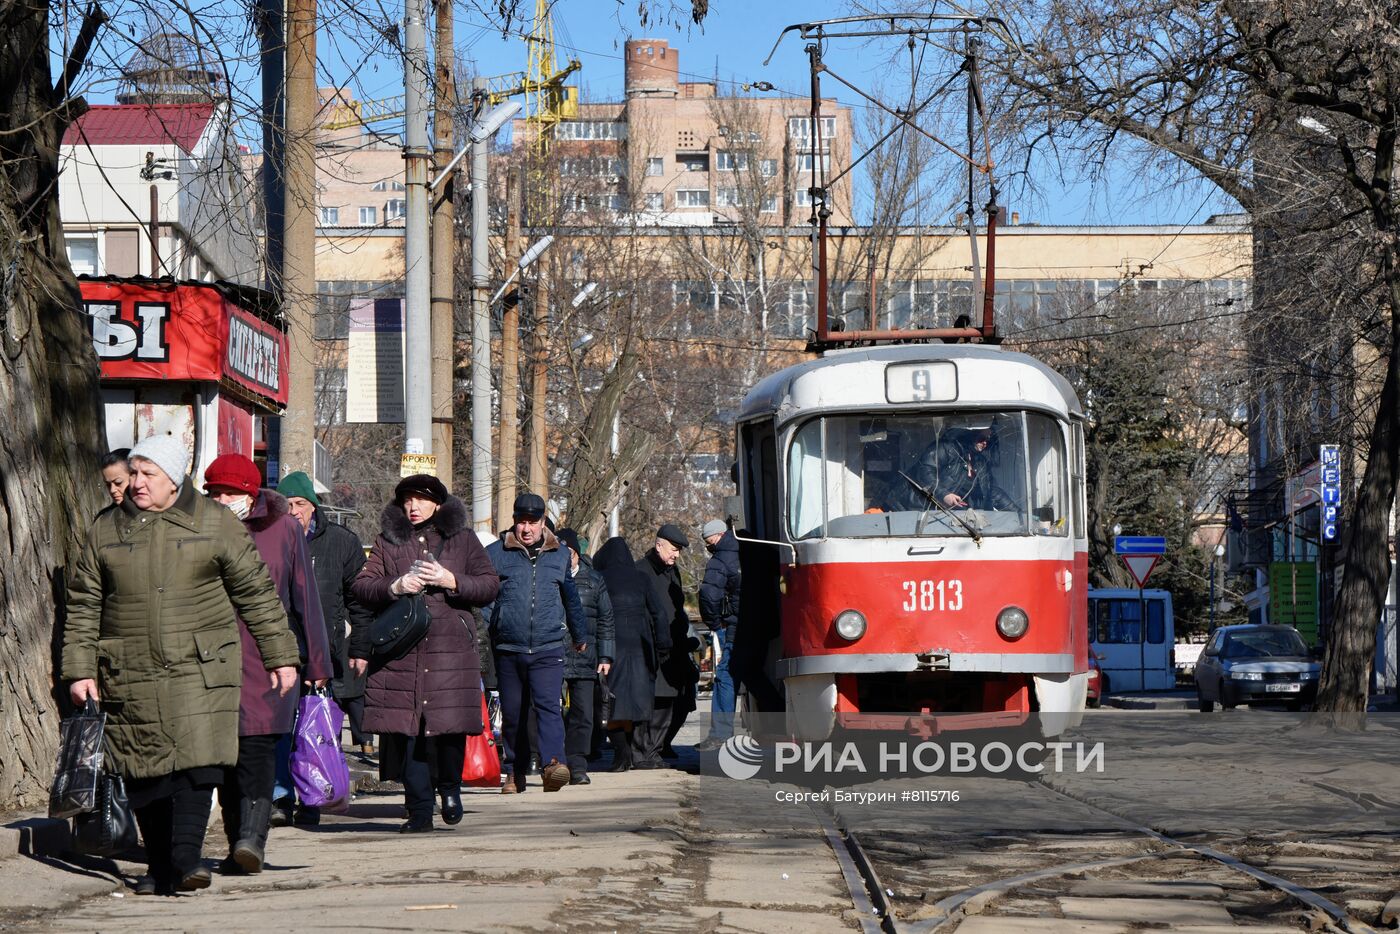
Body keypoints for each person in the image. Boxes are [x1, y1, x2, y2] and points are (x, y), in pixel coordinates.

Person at [63, 434, 301, 896]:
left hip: (200, 665)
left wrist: (281, 656)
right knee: (144, 769)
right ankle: (159, 864)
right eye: (133, 473)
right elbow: (84, 601)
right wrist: (80, 668)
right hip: (129, 668)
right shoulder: (106, 529)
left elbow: (256, 593)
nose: (135, 484)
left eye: (147, 474)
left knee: (197, 765)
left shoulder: (214, 524)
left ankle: (188, 857)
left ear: (173, 480)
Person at [202, 454, 331, 873]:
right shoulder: (199, 527)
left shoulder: (284, 529)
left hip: (269, 661)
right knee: (223, 759)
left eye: (230, 493)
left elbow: (304, 599)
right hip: (211, 659)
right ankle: (236, 841)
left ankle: (251, 840)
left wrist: (316, 666)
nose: (222, 500)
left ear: (250, 493)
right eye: (215, 493)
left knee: (256, 751)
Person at [349, 475, 499, 833]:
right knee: (408, 732)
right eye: (407, 501)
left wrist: (452, 580)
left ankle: (449, 789)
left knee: (448, 729)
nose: (412, 507)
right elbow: (361, 586)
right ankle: (418, 809)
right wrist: (395, 586)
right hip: (402, 650)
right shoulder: (388, 541)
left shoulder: (462, 539)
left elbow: (489, 584)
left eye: (420, 500)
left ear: (437, 504)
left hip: (449, 649)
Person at [279, 470, 374, 818]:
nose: (293, 511)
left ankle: (313, 797)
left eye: (300, 503)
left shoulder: (341, 542)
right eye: (286, 504)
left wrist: (361, 648)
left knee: (316, 729)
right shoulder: (272, 539)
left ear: (314, 506)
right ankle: (280, 797)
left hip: (325, 655)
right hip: (279, 653)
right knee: (282, 730)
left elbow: (359, 601)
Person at [484, 493, 587, 793]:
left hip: (548, 646)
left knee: (548, 707)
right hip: (508, 648)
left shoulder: (559, 555)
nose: (526, 528)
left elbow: (571, 598)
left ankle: (553, 764)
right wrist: (495, 625)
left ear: (544, 523)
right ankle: (514, 772)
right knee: (514, 714)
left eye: (533, 522)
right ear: (514, 522)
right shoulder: (496, 554)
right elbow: (484, 598)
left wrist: (579, 635)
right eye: (521, 522)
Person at [590, 537, 670, 772]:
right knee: (639, 701)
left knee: (611, 701)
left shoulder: (600, 579)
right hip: (641, 649)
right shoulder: (642, 579)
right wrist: (663, 645)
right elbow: (659, 614)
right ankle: (639, 754)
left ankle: (621, 754)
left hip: (610, 649)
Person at [635, 524, 698, 767]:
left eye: (679, 550)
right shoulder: (641, 571)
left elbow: (676, 609)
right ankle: (647, 751)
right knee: (656, 701)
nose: (676, 555)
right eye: (674, 549)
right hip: (653, 648)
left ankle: (659, 746)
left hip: (677, 648)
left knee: (679, 700)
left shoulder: (673, 572)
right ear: (659, 545)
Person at [556, 528, 614, 785]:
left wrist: (606, 656)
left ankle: (578, 765)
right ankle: (553, 762)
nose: (567, 558)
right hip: (553, 654)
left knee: (583, 713)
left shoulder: (594, 579)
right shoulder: (549, 578)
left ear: (578, 555)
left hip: (585, 656)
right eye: (562, 552)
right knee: (550, 712)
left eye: (571, 552)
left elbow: (606, 620)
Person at [696, 519, 741, 750]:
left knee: (724, 676)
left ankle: (720, 734)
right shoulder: (744, 547)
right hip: (753, 624)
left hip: (730, 626)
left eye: (708, 540)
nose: (708, 545)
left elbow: (708, 595)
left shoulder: (721, 558)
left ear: (718, 535)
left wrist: (714, 624)